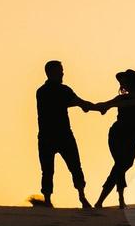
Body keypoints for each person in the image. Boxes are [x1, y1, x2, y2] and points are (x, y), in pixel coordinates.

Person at [35, 60, 93, 209]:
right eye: (60, 71)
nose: (62, 73)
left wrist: (85, 105)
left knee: (50, 170)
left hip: (49, 136)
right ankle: (81, 198)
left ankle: (53, 199)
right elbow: (78, 102)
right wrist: (95, 107)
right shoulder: (56, 91)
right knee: (70, 167)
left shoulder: (43, 91)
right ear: (51, 72)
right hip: (60, 135)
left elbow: (76, 102)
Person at [89, 69, 135, 210]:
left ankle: (104, 201)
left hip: (133, 136)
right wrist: (91, 106)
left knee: (124, 165)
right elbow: (104, 105)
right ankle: (116, 200)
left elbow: (127, 104)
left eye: (126, 81)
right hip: (118, 134)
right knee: (120, 165)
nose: (123, 84)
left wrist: (112, 105)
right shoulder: (121, 99)